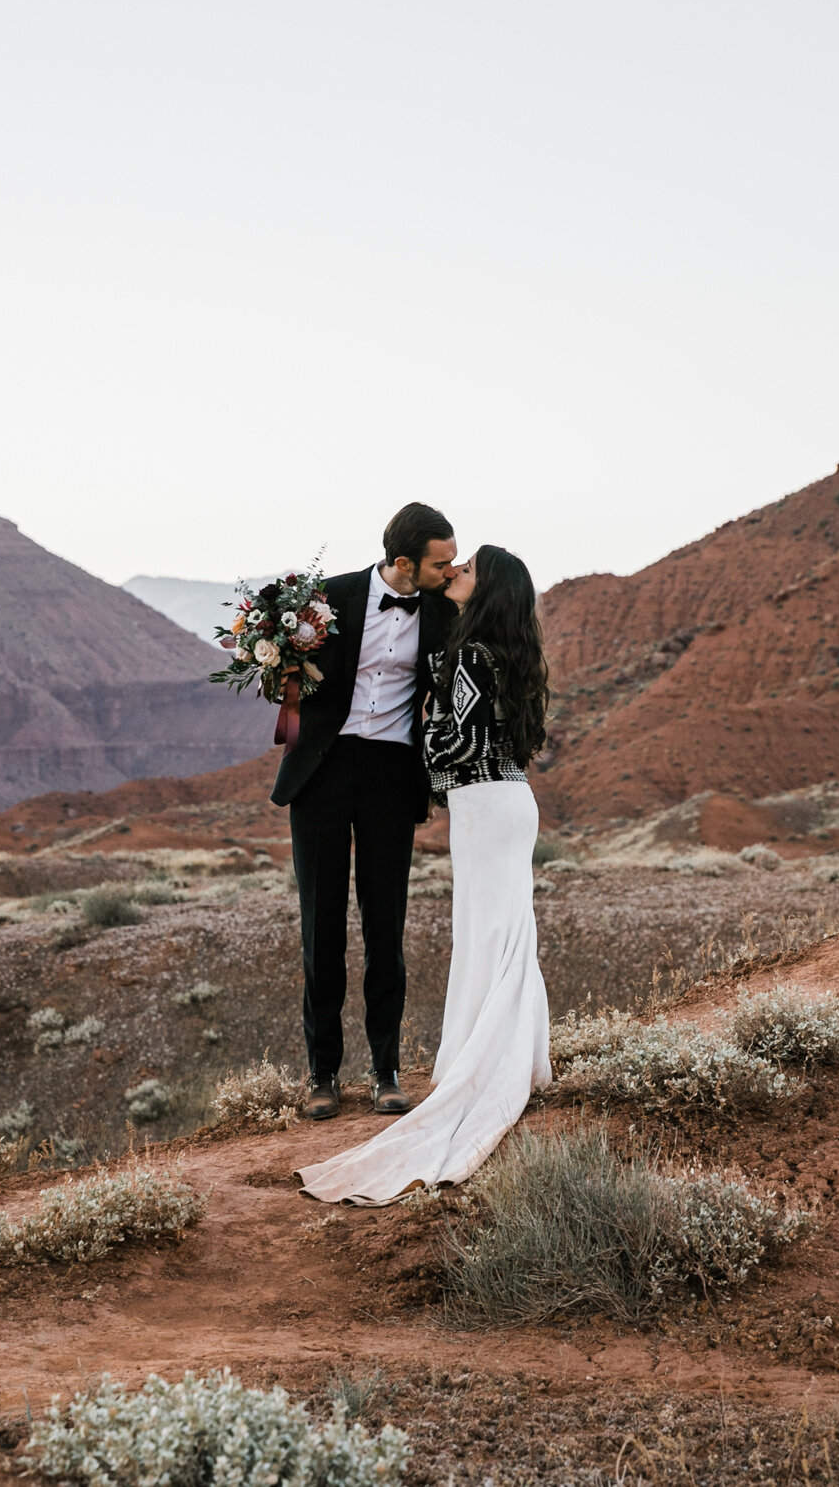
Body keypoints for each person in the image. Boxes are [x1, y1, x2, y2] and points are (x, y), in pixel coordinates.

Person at [298, 543, 552, 1205]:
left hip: (482, 804)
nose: (456, 574)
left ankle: (476, 1067)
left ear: (488, 587)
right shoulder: (509, 649)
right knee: (505, 935)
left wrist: (418, 733)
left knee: (484, 937)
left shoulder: (469, 652)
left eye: (467, 570)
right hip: (508, 799)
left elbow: (458, 738)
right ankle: (511, 1059)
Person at [273, 503, 459, 1121]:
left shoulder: (443, 612)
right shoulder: (329, 599)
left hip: (389, 773)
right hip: (323, 771)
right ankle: (322, 1074)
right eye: (441, 562)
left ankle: (387, 1070)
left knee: (387, 927)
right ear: (403, 562)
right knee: (321, 930)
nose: (449, 569)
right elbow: (286, 678)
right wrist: (278, 670)